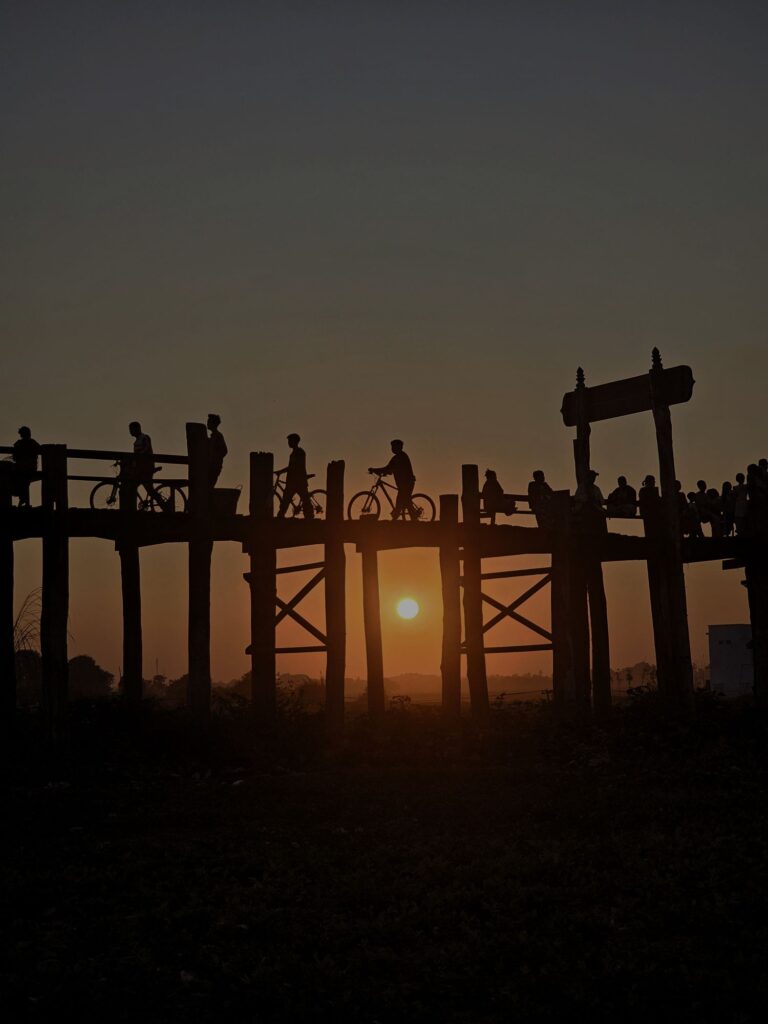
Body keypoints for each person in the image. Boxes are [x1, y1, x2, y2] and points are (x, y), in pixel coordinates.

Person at [369, 439, 416, 520]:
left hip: (406, 484)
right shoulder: (399, 457)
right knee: (405, 501)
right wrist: (381, 471)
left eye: (393, 447)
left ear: (398, 447)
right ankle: (412, 520)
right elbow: (389, 470)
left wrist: (374, 470)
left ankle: (396, 520)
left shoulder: (400, 457)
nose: (392, 448)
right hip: (405, 484)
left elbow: (387, 469)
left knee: (401, 501)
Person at [277, 433, 314, 519]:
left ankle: (309, 516)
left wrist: (280, 471)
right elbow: (291, 467)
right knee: (288, 499)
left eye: (290, 441)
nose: (289, 443)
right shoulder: (294, 453)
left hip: (298, 481)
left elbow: (293, 467)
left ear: (295, 441)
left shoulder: (299, 452)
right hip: (294, 481)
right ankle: (281, 516)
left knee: (300, 499)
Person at [11, 426, 41, 507]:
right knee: (23, 481)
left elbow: (14, 457)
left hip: (22, 469)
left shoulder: (19, 443)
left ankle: (22, 499)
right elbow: (40, 450)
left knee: (19, 479)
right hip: (30, 468)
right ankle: (24, 499)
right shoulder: (33, 442)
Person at [127, 421, 155, 496]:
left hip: (146, 467)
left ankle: (164, 504)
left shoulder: (144, 437)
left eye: (131, 429)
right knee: (133, 486)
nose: (130, 432)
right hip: (139, 468)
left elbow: (146, 448)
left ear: (137, 429)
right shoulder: (136, 441)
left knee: (149, 489)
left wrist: (138, 455)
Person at [206, 413, 227, 488]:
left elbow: (224, 451)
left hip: (214, 467)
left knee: (209, 486)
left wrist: (215, 459)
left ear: (213, 423)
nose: (207, 423)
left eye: (209, 421)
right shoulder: (212, 438)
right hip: (210, 466)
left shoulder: (218, 436)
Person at [733, 472, 749, 536]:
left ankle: (742, 531)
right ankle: (740, 531)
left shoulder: (737, 487)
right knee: (739, 518)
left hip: (742, 503)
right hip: (740, 503)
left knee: (743, 518)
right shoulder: (737, 487)